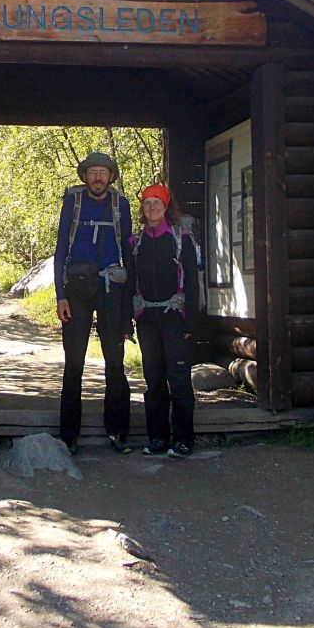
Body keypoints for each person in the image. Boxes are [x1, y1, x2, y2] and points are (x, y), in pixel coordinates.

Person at [54, 152, 133, 455]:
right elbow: (61, 249)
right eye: (93, 172)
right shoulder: (73, 203)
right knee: (74, 362)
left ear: (111, 177)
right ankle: (68, 436)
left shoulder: (120, 205)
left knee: (115, 361)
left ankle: (118, 431)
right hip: (77, 289)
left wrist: (129, 302)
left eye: (103, 172)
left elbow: (128, 249)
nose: (98, 177)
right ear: (85, 176)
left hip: (112, 288)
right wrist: (60, 295)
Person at [126, 183, 200, 458]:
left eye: (157, 202)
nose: (152, 207)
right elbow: (130, 283)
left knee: (178, 378)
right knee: (154, 379)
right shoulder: (136, 243)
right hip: (147, 319)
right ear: (142, 208)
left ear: (166, 206)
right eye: (147, 203)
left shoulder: (182, 239)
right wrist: (127, 321)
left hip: (175, 318)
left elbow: (192, 282)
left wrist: (191, 322)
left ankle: (183, 440)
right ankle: (157, 438)